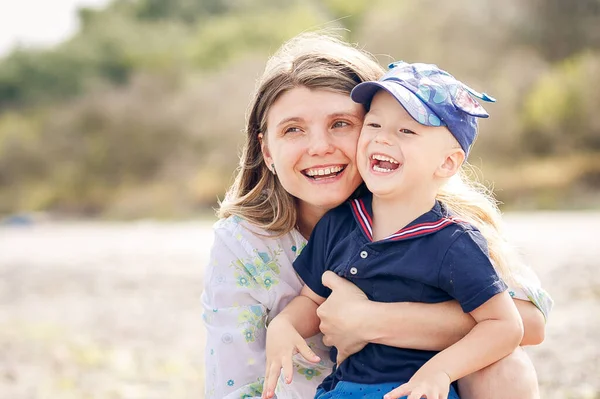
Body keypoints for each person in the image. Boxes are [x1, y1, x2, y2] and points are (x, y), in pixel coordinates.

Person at [201, 32, 553, 399]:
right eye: (293, 129)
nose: (320, 147)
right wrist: (287, 326)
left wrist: (371, 321)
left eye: (341, 124)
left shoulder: (441, 221)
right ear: (267, 150)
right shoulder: (243, 242)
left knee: (504, 368)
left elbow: (526, 322)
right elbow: (232, 382)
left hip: (419, 385)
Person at [262, 61, 527, 399]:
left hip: (414, 389)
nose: (382, 138)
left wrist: (441, 370)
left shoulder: (453, 242)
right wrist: (284, 326)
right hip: (343, 389)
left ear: (447, 162)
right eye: (373, 124)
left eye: (406, 131)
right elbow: (312, 300)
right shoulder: (339, 223)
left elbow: (505, 325)